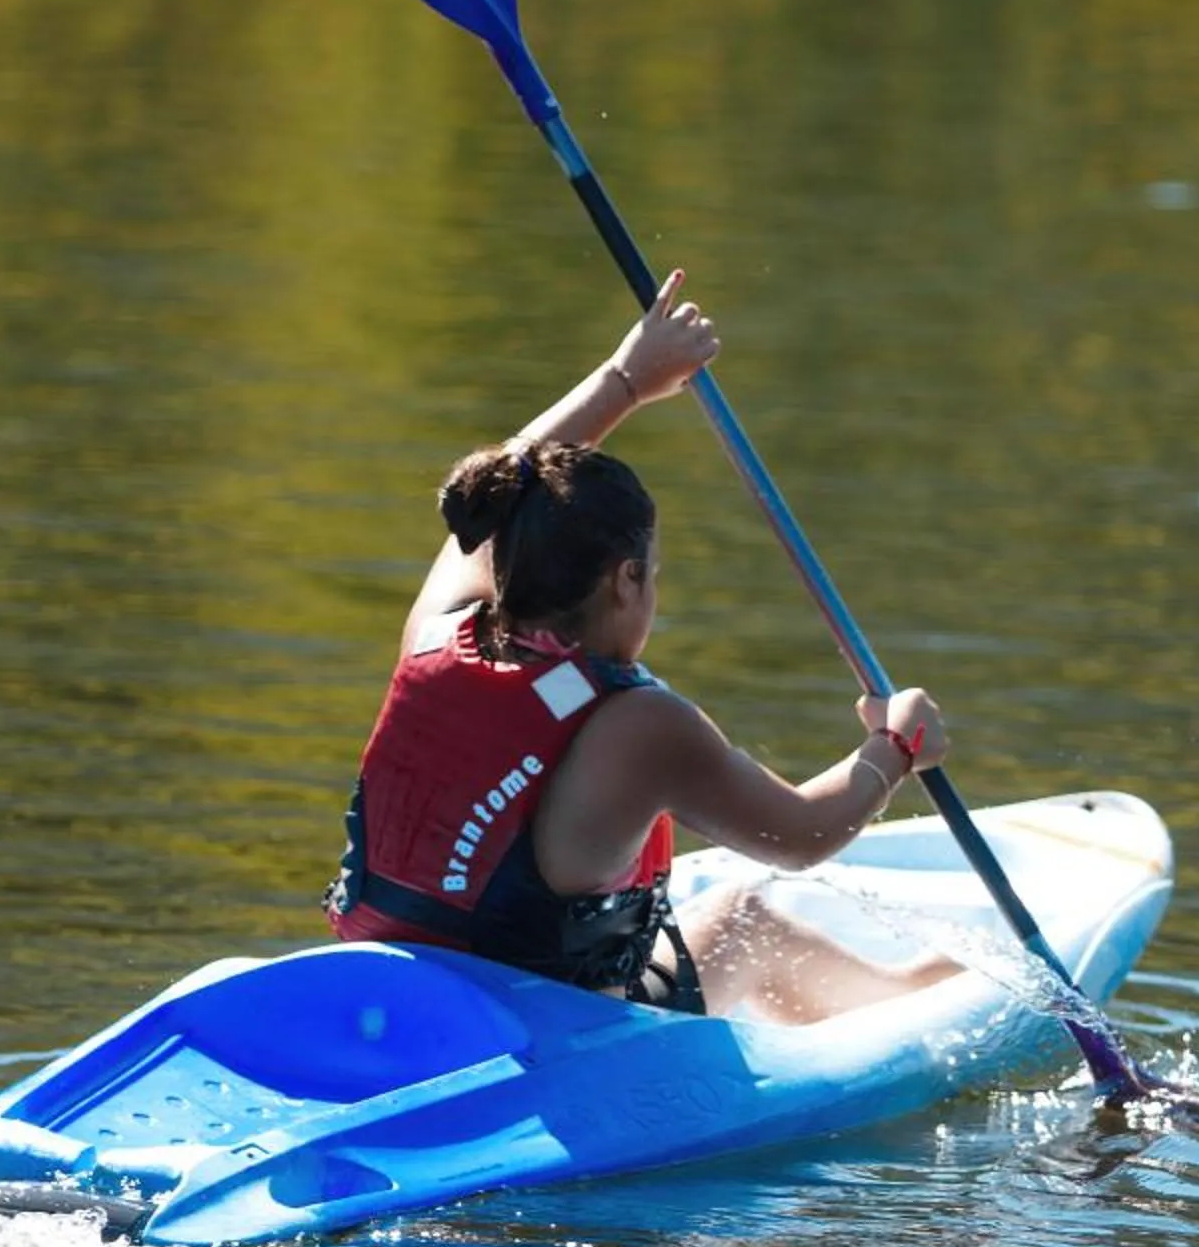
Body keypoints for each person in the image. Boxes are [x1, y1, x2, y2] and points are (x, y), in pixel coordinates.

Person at [327, 274, 959, 1026]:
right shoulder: (645, 726)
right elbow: (801, 836)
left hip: (398, 987)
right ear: (627, 580)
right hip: (540, 1030)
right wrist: (895, 744)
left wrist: (626, 379)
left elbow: (514, 481)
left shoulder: (440, 630)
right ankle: (911, 1001)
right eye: (654, 573)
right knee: (741, 919)